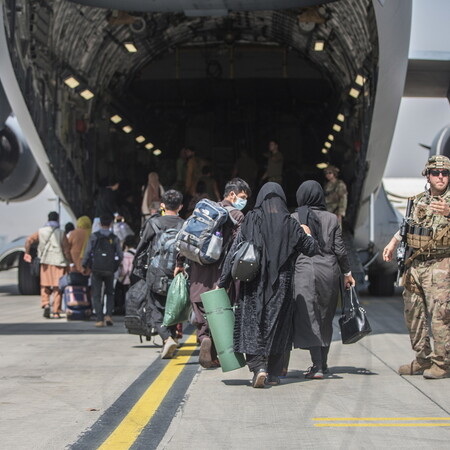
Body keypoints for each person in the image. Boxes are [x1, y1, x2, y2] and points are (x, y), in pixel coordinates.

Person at [218, 182, 319, 388]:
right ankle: (272, 373)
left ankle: (258, 367)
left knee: (252, 325)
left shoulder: (251, 220)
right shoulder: (291, 224)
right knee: (277, 328)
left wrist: (224, 281)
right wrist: (307, 232)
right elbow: (311, 249)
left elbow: (235, 252)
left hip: (253, 283)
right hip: (281, 286)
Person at [383, 155, 450, 379]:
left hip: (441, 264)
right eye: (436, 173)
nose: (440, 177)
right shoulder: (420, 200)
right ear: (427, 175)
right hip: (416, 264)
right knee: (414, 313)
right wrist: (393, 243)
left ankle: (442, 364)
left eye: (445, 173)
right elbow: (408, 226)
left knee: (440, 314)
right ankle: (423, 359)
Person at [176, 178, 251, 368]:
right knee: (219, 310)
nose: (244, 201)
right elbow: (237, 248)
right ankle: (214, 350)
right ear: (232, 194)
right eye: (242, 196)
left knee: (200, 306)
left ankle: (203, 338)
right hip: (220, 272)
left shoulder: (205, 210)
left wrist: (179, 263)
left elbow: (188, 237)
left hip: (198, 270)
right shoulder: (237, 216)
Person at [291, 180, 355, 379]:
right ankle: (323, 364)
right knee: (325, 317)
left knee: (309, 317)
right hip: (329, 270)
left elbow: (290, 248)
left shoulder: (294, 218)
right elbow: (340, 250)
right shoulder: (332, 218)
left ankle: (317, 365)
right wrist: (347, 273)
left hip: (303, 270)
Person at [135, 190, 184, 358]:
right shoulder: (184, 225)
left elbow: (142, 247)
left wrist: (137, 268)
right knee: (173, 306)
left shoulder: (153, 223)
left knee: (154, 306)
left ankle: (166, 337)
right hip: (177, 273)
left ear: (162, 205)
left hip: (156, 272)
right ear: (181, 206)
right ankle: (170, 338)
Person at [24, 211, 72, 319]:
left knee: (45, 285)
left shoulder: (40, 231)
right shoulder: (61, 232)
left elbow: (29, 240)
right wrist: (70, 262)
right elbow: (66, 250)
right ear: (57, 219)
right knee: (57, 288)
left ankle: (45, 304)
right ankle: (56, 312)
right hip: (59, 262)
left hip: (45, 262)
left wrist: (27, 253)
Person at [82, 214, 123, 327]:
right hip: (110, 269)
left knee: (96, 294)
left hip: (96, 269)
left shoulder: (94, 237)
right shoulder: (114, 238)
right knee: (110, 293)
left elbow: (87, 252)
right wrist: (115, 266)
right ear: (111, 224)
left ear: (99, 224)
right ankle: (108, 315)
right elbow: (120, 255)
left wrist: (84, 265)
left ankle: (99, 319)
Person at [115, 234, 137, 315]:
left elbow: (125, 270)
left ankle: (123, 309)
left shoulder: (125, 255)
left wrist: (120, 278)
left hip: (127, 279)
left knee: (124, 295)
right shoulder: (138, 252)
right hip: (136, 278)